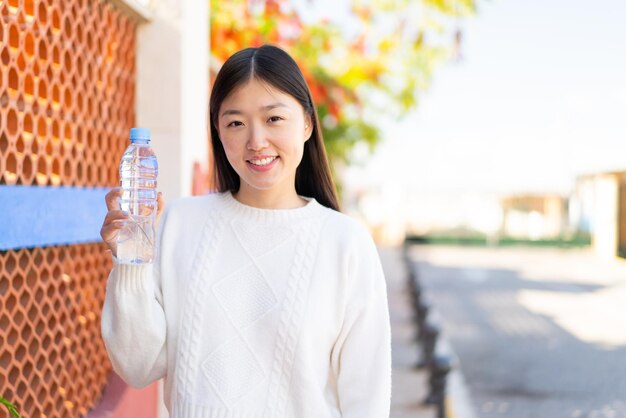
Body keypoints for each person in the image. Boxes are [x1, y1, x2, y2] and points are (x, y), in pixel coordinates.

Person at [100, 44, 391, 418]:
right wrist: (130, 261)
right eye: (236, 122)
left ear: (306, 123)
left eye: (273, 119)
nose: (256, 141)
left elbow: (366, 399)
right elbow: (138, 367)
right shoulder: (180, 223)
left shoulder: (345, 244)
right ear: (218, 132)